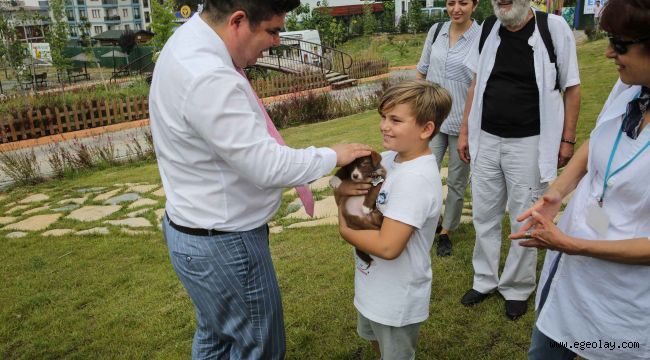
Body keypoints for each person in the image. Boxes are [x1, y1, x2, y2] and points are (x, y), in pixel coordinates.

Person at [148, 1, 371, 358]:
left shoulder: (189, 41)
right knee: (259, 346)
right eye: (272, 30)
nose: (277, 42)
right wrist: (332, 155)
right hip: (225, 243)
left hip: (194, 230)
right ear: (238, 21)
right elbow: (265, 166)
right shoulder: (209, 76)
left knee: (216, 335)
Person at [510, 0, 650, 358]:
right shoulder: (632, 87)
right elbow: (597, 140)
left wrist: (574, 245)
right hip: (572, 273)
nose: (607, 53)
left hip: (623, 299)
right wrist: (556, 194)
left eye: (619, 45)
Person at [457, 0, 581, 319]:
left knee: (524, 216)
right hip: (486, 139)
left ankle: (517, 287)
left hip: (530, 142)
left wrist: (567, 139)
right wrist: (464, 132)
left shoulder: (553, 29)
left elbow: (572, 88)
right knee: (485, 214)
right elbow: (474, 85)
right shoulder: (488, 28)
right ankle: (484, 280)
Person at [336, 80, 452, 359]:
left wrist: (343, 224)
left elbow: (388, 247)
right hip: (374, 288)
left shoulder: (416, 180)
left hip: (396, 299)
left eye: (396, 120)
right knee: (378, 345)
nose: (384, 126)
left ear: (426, 129)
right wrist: (345, 187)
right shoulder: (389, 160)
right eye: (384, 117)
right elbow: (342, 186)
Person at [416, 0, 480, 257]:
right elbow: (421, 73)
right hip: (432, 122)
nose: (456, 8)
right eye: (451, 2)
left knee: (456, 181)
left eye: (463, 3)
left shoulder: (481, 37)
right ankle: (432, 221)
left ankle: (447, 232)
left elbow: (478, 84)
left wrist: (467, 128)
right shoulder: (436, 32)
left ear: (474, 5)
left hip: (462, 124)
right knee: (423, 174)